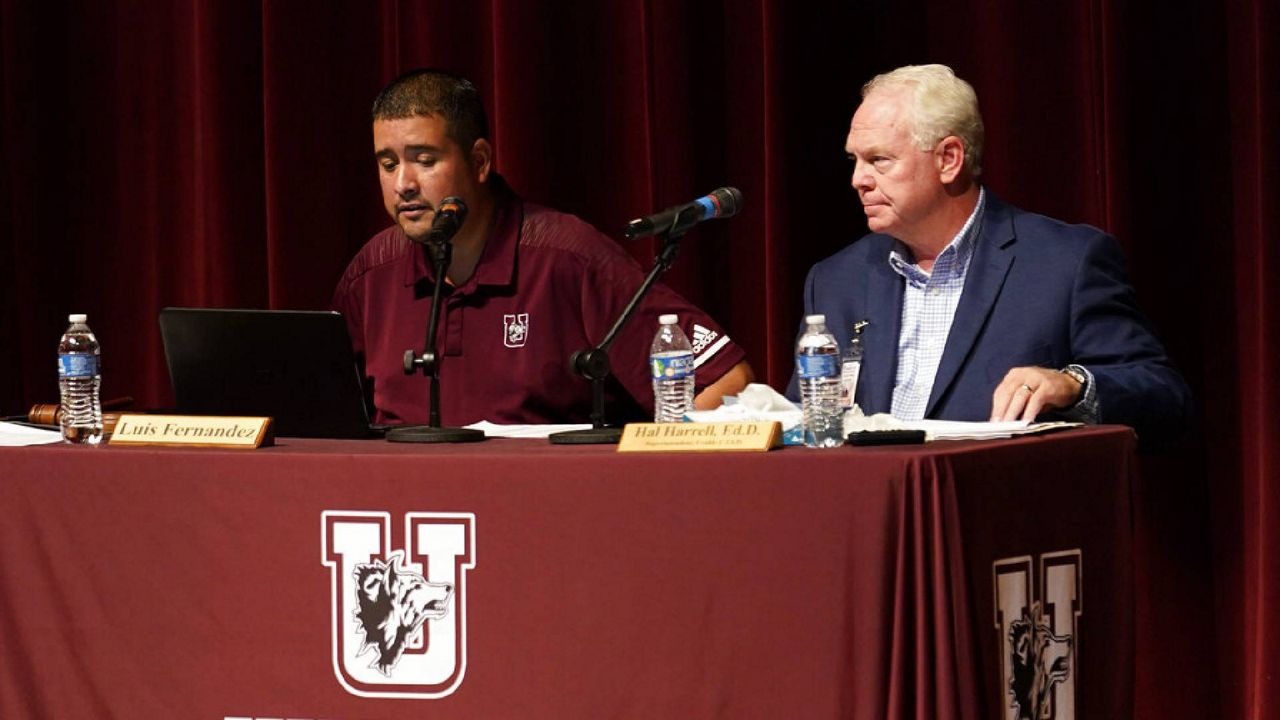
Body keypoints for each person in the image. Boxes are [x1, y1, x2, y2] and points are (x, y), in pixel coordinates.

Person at [788, 64, 1190, 442]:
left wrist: (1073, 385)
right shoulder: (836, 280)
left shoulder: (1065, 263)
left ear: (948, 159)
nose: (859, 179)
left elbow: (1164, 397)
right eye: (855, 160)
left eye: (879, 160)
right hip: (873, 508)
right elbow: (802, 419)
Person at [333, 69, 753, 426]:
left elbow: (727, 383)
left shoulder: (569, 257)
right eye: (388, 164)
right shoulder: (371, 274)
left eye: (425, 160)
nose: (403, 184)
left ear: (479, 161)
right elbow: (324, 419)